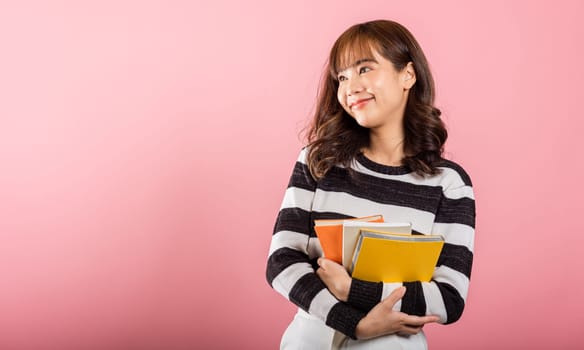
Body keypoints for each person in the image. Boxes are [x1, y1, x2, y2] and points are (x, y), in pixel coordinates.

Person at [266, 19, 475, 349]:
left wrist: (353, 290)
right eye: (342, 77)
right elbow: (281, 261)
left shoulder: (449, 184)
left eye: (365, 69)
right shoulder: (318, 161)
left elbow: (449, 298)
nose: (350, 87)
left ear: (407, 74)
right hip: (311, 338)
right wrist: (354, 323)